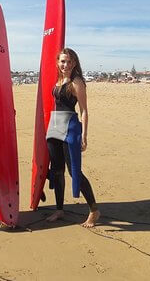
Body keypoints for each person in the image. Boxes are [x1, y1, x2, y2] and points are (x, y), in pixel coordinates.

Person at [45, 48, 100, 228]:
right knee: (57, 170)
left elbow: (84, 111)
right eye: (62, 61)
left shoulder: (77, 82)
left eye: (69, 62)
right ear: (57, 63)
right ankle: (59, 209)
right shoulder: (60, 80)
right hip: (55, 126)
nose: (65, 65)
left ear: (74, 63)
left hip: (70, 126)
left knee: (74, 170)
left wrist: (84, 135)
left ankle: (94, 210)